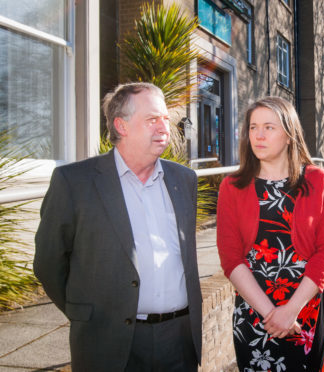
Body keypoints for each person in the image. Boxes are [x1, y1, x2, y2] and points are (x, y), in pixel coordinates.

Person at [34, 82, 202, 371]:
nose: (165, 127)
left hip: (179, 340)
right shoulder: (74, 182)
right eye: (152, 119)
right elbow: (49, 264)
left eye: (165, 118)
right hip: (108, 342)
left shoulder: (184, 179)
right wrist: (87, 311)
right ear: (121, 126)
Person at [216, 96, 324, 371]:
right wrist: (272, 314)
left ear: (289, 135)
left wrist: (291, 310)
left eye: (269, 127)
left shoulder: (318, 181)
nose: (258, 135)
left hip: (306, 309)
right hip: (255, 312)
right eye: (253, 127)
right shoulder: (232, 187)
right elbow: (231, 258)